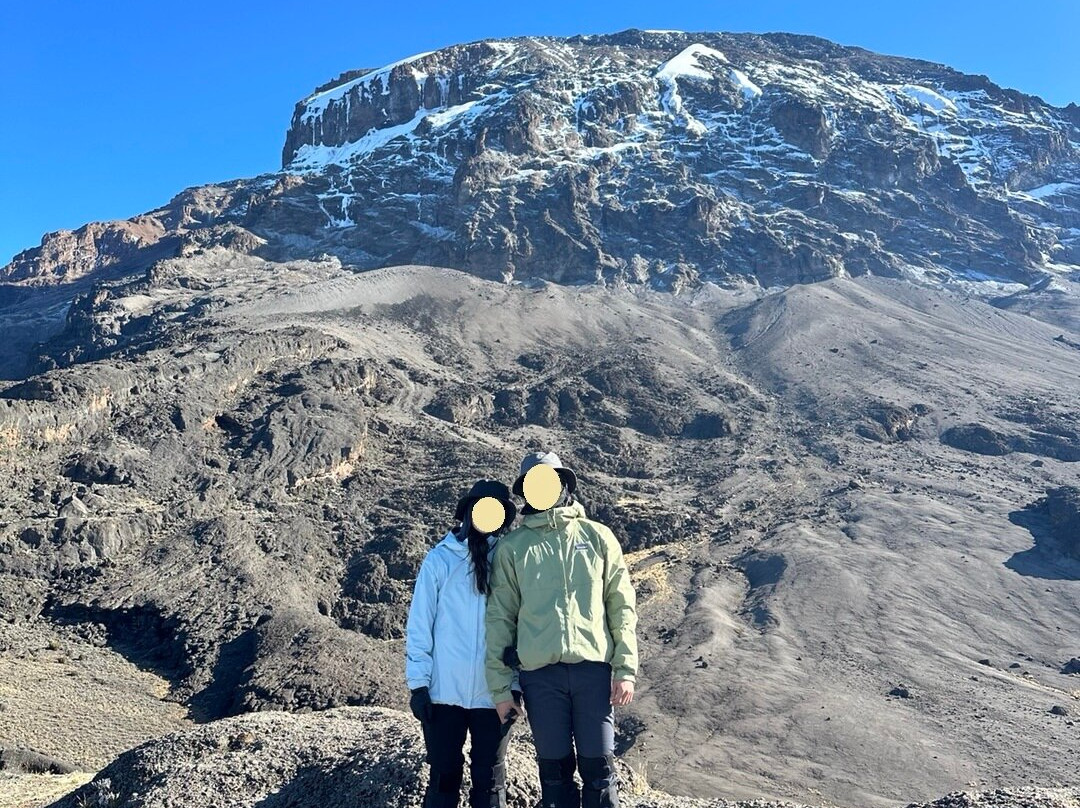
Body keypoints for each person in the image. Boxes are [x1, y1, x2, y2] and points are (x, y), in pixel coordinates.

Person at [485, 451, 638, 808]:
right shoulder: (512, 549)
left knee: (600, 774)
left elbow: (621, 607)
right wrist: (501, 689)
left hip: (594, 675)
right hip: (541, 679)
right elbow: (500, 620)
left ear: (564, 484)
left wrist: (625, 669)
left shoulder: (598, 538)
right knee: (554, 779)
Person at [406, 479, 521, 808]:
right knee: (443, 781)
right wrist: (419, 686)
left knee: (490, 783)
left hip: (495, 695)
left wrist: (515, 685)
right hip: (443, 695)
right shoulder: (440, 560)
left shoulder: (509, 561)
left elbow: (521, 625)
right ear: (469, 511)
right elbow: (420, 625)